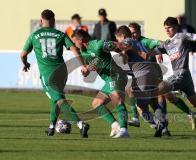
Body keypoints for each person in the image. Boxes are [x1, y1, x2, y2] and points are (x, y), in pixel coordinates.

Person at [21, 9, 91, 137]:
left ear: (41, 21)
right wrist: (83, 65)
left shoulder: (34, 35)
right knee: (56, 99)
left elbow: (23, 54)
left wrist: (25, 64)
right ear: (53, 20)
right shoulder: (60, 34)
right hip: (62, 72)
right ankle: (52, 126)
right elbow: (74, 48)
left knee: (59, 100)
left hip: (48, 75)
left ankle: (81, 124)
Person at [128, 22, 196, 131]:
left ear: (139, 32)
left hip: (153, 75)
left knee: (160, 97)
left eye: (134, 33)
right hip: (141, 79)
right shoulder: (129, 45)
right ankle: (163, 125)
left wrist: (159, 52)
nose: (132, 35)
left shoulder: (145, 41)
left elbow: (161, 43)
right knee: (167, 97)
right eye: (130, 33)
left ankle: (162, 126)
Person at [73, 29, 129, 138]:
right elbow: (91, 67)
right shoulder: (84, 52)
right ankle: (115, 125)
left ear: (81, 40)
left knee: (117, 99)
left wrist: (122, 50)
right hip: (108, 79)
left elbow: (116, 45)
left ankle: (124, 130)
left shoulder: (98, 44)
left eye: (74, 41)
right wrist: (86, 71)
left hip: (116, 75)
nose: (73, 44)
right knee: (96, 104)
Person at [114, 26, 168, 137]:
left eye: (117, 39)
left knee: (142, 108)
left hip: (143, 75)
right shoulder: (137, 42)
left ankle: (159, 124)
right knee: (153, 102)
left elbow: (125, 48)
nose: (117, 41)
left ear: (123, 36)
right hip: (153, 72)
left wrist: (123, 53)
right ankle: (162, 122)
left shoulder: (127, 40)